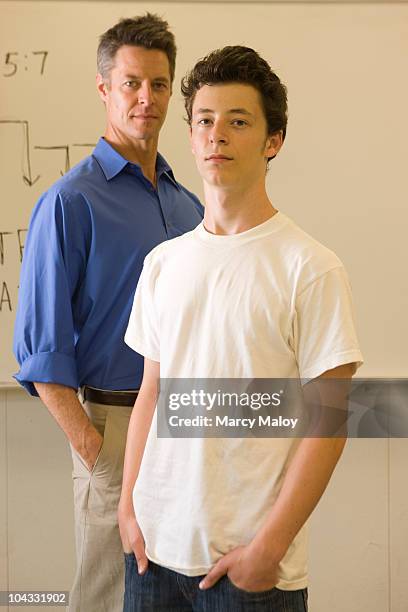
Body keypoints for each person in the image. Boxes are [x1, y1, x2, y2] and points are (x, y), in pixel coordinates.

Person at [119, 46, 363, 611]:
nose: (216, 136)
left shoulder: (310, 266)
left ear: (272, 140)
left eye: (238, 121)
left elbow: (329, 422)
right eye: (204, 121)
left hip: (248, 568)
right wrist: (129, 509)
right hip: (152, 555)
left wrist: (268, 550)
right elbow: (150, 395)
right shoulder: (163, 263)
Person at [13, 14, 203, 612]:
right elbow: (43, 353)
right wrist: (96, 454)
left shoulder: (189, 201)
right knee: (105, 598)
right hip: (114, 425)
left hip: (188, 425)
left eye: (159, 84)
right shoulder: (70, 201)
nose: (146, 98)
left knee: (173, 595)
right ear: (104, 88)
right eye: (131, 83)